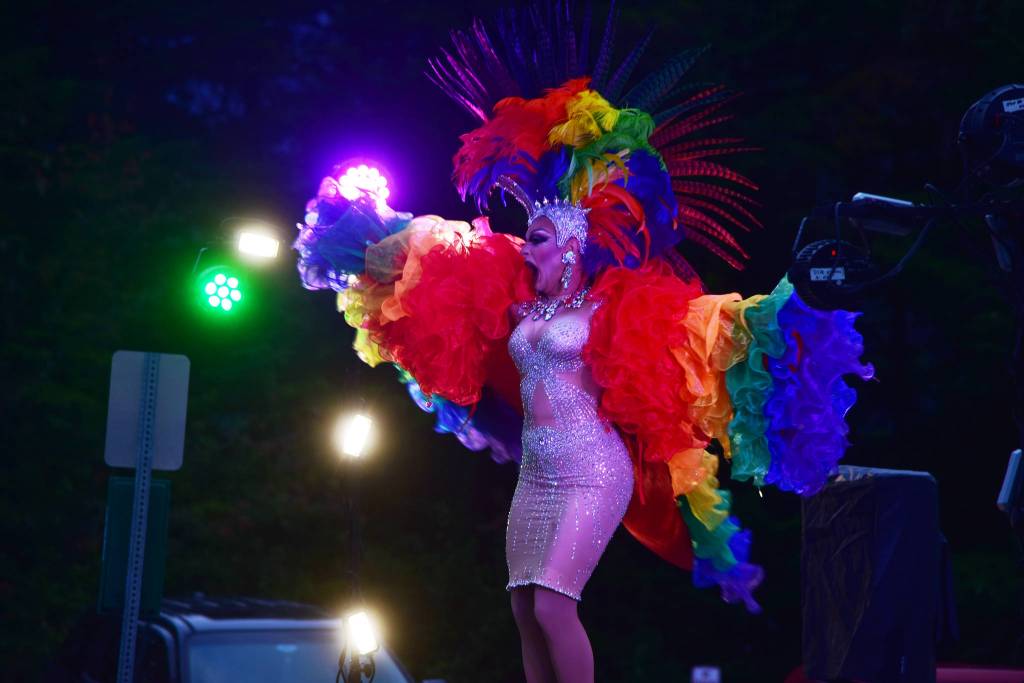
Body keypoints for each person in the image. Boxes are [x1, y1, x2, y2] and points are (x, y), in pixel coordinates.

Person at [293, 6, 873, 682]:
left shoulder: (617, 305)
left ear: (572, 245)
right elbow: (443, 259)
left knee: (554, 603)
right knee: (523, 606)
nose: (527, 242)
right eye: (529, 233)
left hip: (592, 470)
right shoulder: (520, 290)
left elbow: (709, 328)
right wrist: (374, 226)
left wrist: (794, 303)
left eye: (540, 236)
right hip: (538, 471)